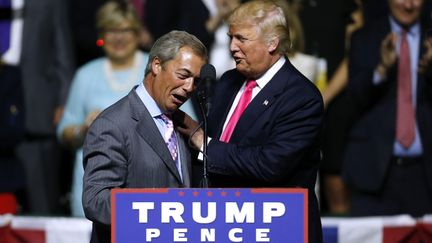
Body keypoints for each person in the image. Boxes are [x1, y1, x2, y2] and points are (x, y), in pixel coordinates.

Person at [177, 1, 324, 242]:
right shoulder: (227, 82)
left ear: (272, 42)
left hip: (278, 229)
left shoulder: (301, 97)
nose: (232, 47)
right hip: (227, 226)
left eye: (241, 39)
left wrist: (205, 143)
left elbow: (269, 165)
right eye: (230, 37)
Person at [82, 30, 207, 243]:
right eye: (183, 75)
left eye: (195, 81)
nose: (189, 88)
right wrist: (159, 210)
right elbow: (97, 201)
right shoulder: (112, 125)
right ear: (157, 65)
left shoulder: (183, 124)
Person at [57, 0, 149, 217]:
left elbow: (184, 126)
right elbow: (64, 132)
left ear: (137, 33)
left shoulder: (154, 70)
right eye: (111, 30)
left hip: (145, 192)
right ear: (101, 35)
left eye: (125, 29)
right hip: (93, 190)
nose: (118, 37)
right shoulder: (85, 75)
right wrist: (84, 128)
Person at [343, 0, 432, 216]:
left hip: (425, 175)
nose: (409, 5)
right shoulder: (365, 37)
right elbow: (354, 99)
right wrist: (381, 69)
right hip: (374, 174)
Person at [0, 0, 75, 214]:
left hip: (35, 111)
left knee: (41, 201)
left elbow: (64, 55)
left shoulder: (48, 3)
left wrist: (63, 102)